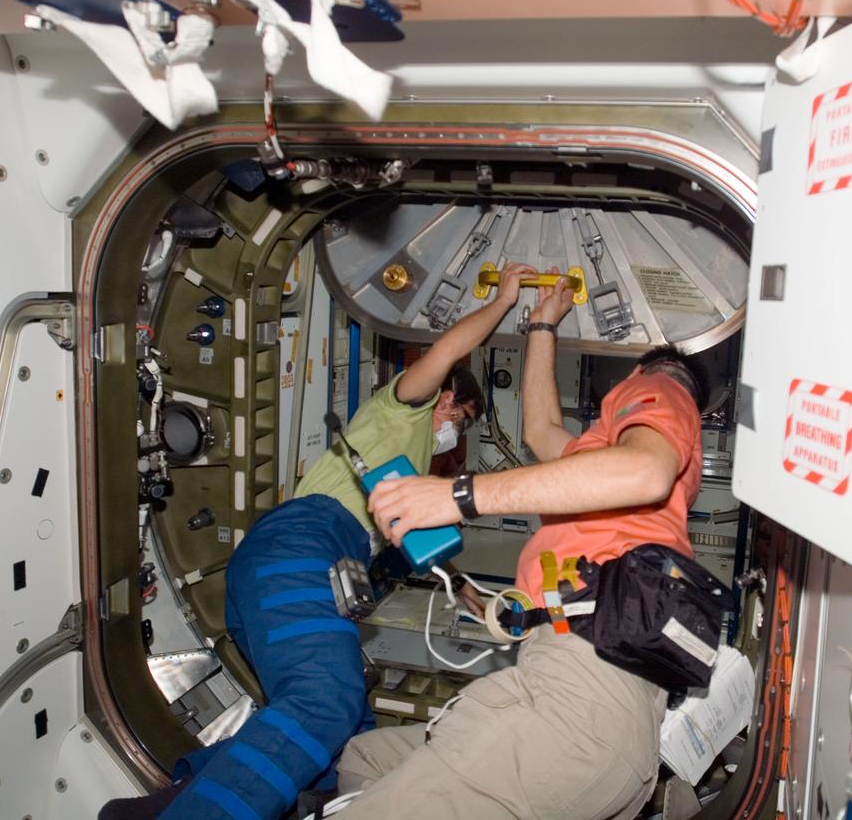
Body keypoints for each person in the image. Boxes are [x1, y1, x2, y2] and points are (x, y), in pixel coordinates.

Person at [99, 262, 536, 820]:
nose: (457, 431)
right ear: (448, 400)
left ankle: (153, 810)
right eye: (463, 418)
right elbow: (446, 352)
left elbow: (422, 553)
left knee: (350, 749)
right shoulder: (403, 412)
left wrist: (473, 596)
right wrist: (502, 302)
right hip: (301, 547)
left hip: (309, 565)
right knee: (324, 702)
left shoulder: (412, 472)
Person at [333, 276, 707, 820]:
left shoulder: (660, 386)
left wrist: (458, 496)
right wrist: (542, 324)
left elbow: (645, 470)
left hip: (582, 693)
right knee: (365, 759)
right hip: (584, 698)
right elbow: (540, 430)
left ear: (632, 376)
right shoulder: (599, 461)